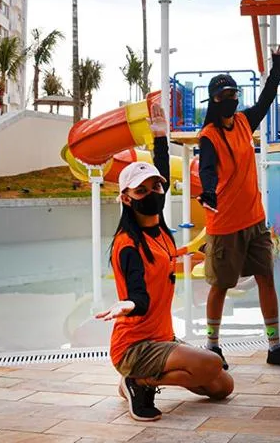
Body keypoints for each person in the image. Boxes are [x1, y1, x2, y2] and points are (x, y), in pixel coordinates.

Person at [97, 103, 233, 422]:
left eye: (155, 186)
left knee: (223, 386)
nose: (152, 192)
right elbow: (138, 296)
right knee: (210, 363)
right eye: (141, 190)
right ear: (127, 199)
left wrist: (160, 136)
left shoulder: (160, 229)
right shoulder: (129, 245)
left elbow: (160, 175)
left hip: (162, 337)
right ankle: (137, 380)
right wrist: (129, 305)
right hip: (134, 347)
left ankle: (137, 382)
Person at [197, 41, 280, 370]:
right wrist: (210, 192)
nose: (229, 100)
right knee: (220, 286)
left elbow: (267, 98)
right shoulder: (208, 136)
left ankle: (275, 346)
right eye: (222, 96)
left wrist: (278, 67)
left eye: (232, 94)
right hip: (225, 224)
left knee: (266, 279)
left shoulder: (245, 122)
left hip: (255, 221)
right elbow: (207, 169)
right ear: (213, 102)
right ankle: (212, 346)